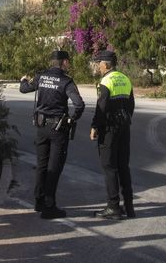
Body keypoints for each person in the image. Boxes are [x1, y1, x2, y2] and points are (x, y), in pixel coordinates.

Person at [19, 49, 85, 220]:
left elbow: (24, 89)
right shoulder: (66, 81)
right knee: (54, 167)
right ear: (63, 62)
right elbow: (79, 105)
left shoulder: (41, 76)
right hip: (58, 129)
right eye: (68, 61)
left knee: (42, 165)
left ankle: (38, 201)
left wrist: (23, 80)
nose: (69, 64)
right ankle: (49, 207)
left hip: (41, 127)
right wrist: (71, 119)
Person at [89, 50, 135, 220]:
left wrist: (95, 126)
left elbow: (101, 108)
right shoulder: (125, 78)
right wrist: (125, 120)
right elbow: (131, 106)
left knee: (109, 167)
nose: (98, 66)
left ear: (106, 64)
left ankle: (113, 207)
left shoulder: (106, 81)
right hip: (124, 128)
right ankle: (129, 208)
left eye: (99, 63)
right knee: (123, 166)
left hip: (109, 129)